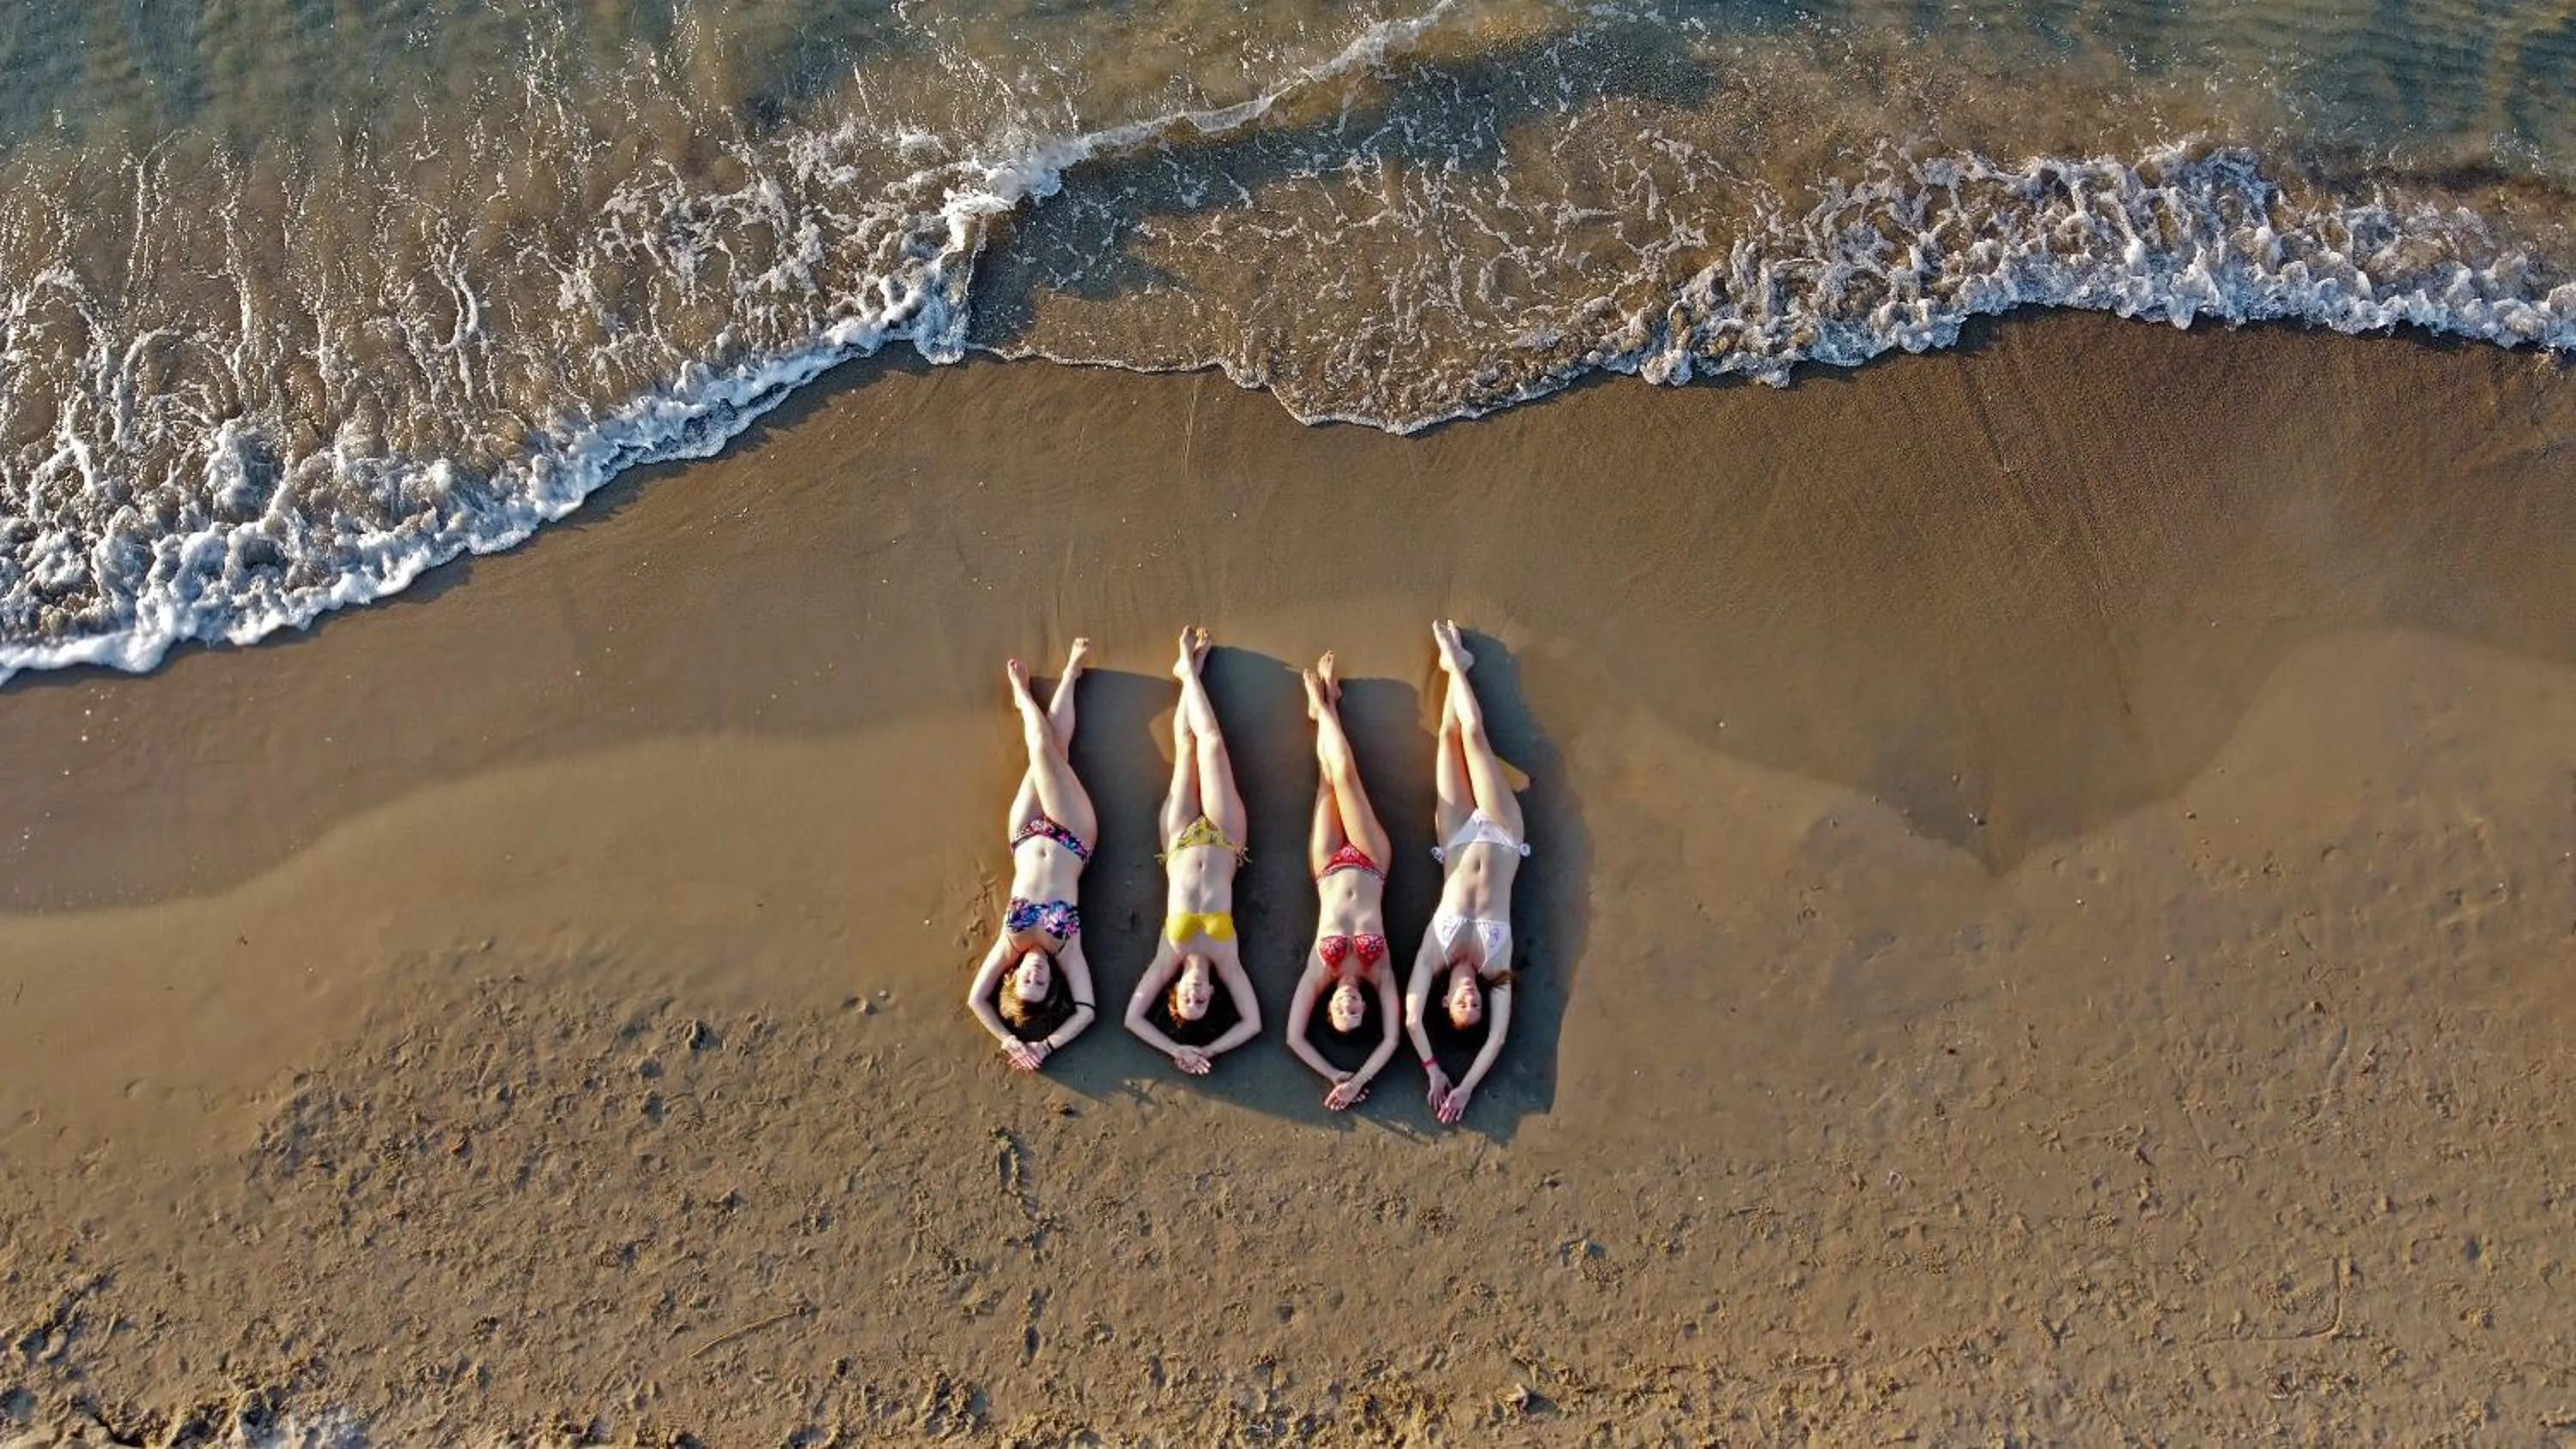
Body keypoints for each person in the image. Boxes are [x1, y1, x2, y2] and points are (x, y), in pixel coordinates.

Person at [1405, 619, 1529, 1125]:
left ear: (1446, 1003)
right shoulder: (1495, 965)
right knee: (1475, 737)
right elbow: (1496, 1038)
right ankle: (1456, 664)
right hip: (1502, 834)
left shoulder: (1433, 955)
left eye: (1462, 1006)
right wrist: (1467, 1087)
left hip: (1455, 836)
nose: (1471, 999)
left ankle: (1456, 666)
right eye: (1477, 1006)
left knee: (1450, 735)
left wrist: (1435, 1071)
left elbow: (1410, 1017)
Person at [1125, 626, 1263, 1075]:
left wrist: (1174, 1050)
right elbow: (1253, 1024)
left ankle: (1190, 671)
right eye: (1202, 1001)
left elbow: (1132, 1019)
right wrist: (1210, 1051)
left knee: (1187, 749)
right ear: (1212, 994)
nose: (1196, 994)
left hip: (1180, 839)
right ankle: (1188, 671)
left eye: (1187, 999)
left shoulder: (1168, 956)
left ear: (1175, 990)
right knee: (1214, 745)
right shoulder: (1228, 961)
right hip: (1226, 837)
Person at [966, 640, 1100, 1071]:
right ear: (1051, 984)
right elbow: (1087, 1011)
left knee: (1052, 749)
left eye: (1026, 980)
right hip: (1073, 834)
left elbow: (976, 1000)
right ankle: (1028, 694)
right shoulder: (1067, 950)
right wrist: (1045, 1046)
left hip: (1024, 833)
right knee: (1044, 751)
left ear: (1012, 976)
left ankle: (1060, 681)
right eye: (1040, 983)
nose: (1035, 974)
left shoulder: (1009, 945)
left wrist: (1008, 1039)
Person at [1283, 652, 1401, 1110]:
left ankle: (1326, 706)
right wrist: (1359, 1078)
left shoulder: (1319, 972)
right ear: (1364, 1008)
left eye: (1339, 1011)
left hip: (1327, 864)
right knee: (1347, 775)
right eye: (1355, 1012)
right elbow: (1392, 1039)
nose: (1348, 1005)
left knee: (1328, 780)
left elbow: (1294, 1038)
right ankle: (1323, 705)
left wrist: (1333, 1074)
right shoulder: (1380, 973)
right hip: (1371, 861)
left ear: (1329, 1006)